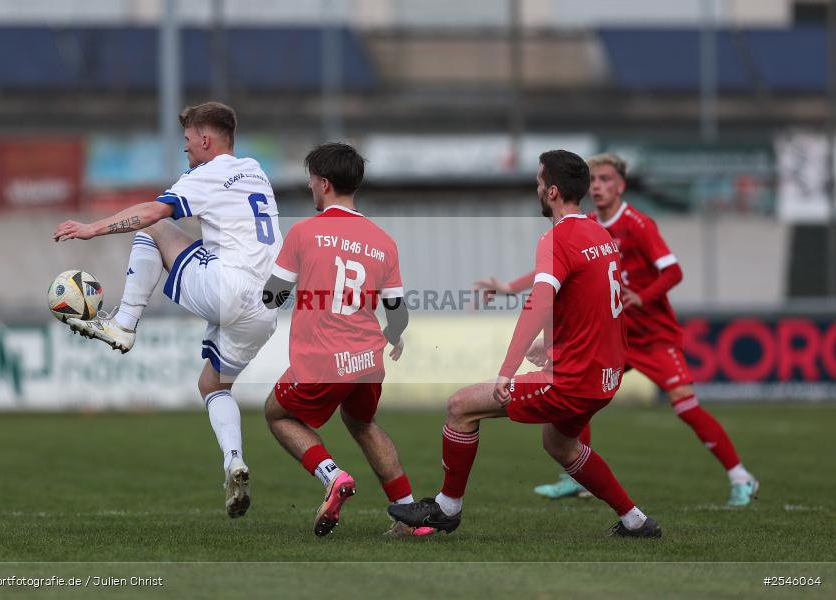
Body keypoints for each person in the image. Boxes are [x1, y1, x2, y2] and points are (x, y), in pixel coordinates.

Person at [389, 150, 661, 538]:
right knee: (560, 445)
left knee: (461, 407)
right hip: (605, 375)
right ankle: (636, 521)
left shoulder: (557, 237)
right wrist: (553, 344)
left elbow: (540, 302)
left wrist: (508, 370)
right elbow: (587, 300)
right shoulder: (599, 234)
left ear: (551, 191)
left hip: (573, 379)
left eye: (538, 181)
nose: (535, 187)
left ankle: (447, 508)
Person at [476, 152, 758, 507]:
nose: (598, 185)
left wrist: (643, 296)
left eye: (606, 179)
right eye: (593, 179)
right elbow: (552, 270)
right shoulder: (588, 224)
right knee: (573, 384)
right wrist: (508, 287)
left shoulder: (638, 224)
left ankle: (740, 477)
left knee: (685, 405)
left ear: (621, 185)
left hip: (653, 335)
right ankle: (574, 476)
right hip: (614, 335)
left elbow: (673, 272)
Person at [53, 101, 281, 519]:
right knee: (212, 386)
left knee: (153, 227)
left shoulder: (207, 174)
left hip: (225, 288)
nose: (185, 149)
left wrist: (92, 229)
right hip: (266, 308)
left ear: (206, 140)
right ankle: (234, 461)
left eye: (189, 140)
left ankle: (124, 324)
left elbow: (153, 211)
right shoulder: (255, 170)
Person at [262, 143, 432, 538]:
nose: (309, 187)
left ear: (323, 183)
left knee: (277, 413)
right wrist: (394, 336)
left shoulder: (304, 231)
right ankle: (410, 517)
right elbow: (397, 312)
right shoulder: (382, 240)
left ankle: (332, 476)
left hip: (322, 359)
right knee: (363, 423)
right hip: (368, 359)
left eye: (310, 180)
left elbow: (273, 296)